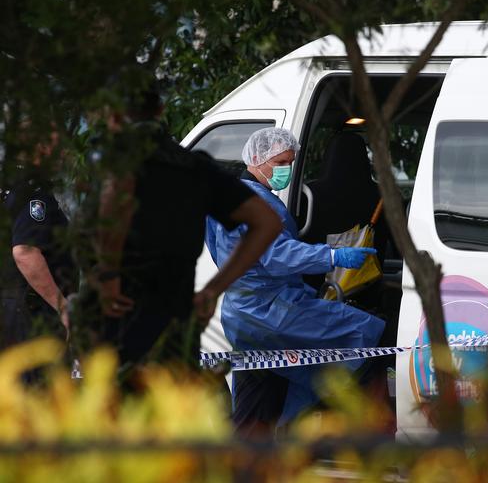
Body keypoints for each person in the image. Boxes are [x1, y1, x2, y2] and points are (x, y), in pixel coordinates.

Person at [79, 85, 282, 377]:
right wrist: (214, 290)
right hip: (176, 327)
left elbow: (115, 199)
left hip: (116, 321)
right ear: (160, 110)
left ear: (111, 117)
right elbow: (267, 222)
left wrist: (108, 274)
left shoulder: (118, 162)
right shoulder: (194, 168)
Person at [205, 127, 386, 437]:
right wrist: (332, 257)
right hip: (270, 313)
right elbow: (277, 255)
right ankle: (367, 435)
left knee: (261, 396)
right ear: (258, 159)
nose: (287, 169)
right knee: (365, 338)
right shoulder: (254, 204)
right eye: (281, 162)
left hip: (250, 312)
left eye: (291, 161)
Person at [0, 125, 75, 363]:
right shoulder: (35, 194)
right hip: (33, 316)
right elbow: (25, 252)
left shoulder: (10, 189)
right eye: (57, 147)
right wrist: (62, 306)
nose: (64, 154)